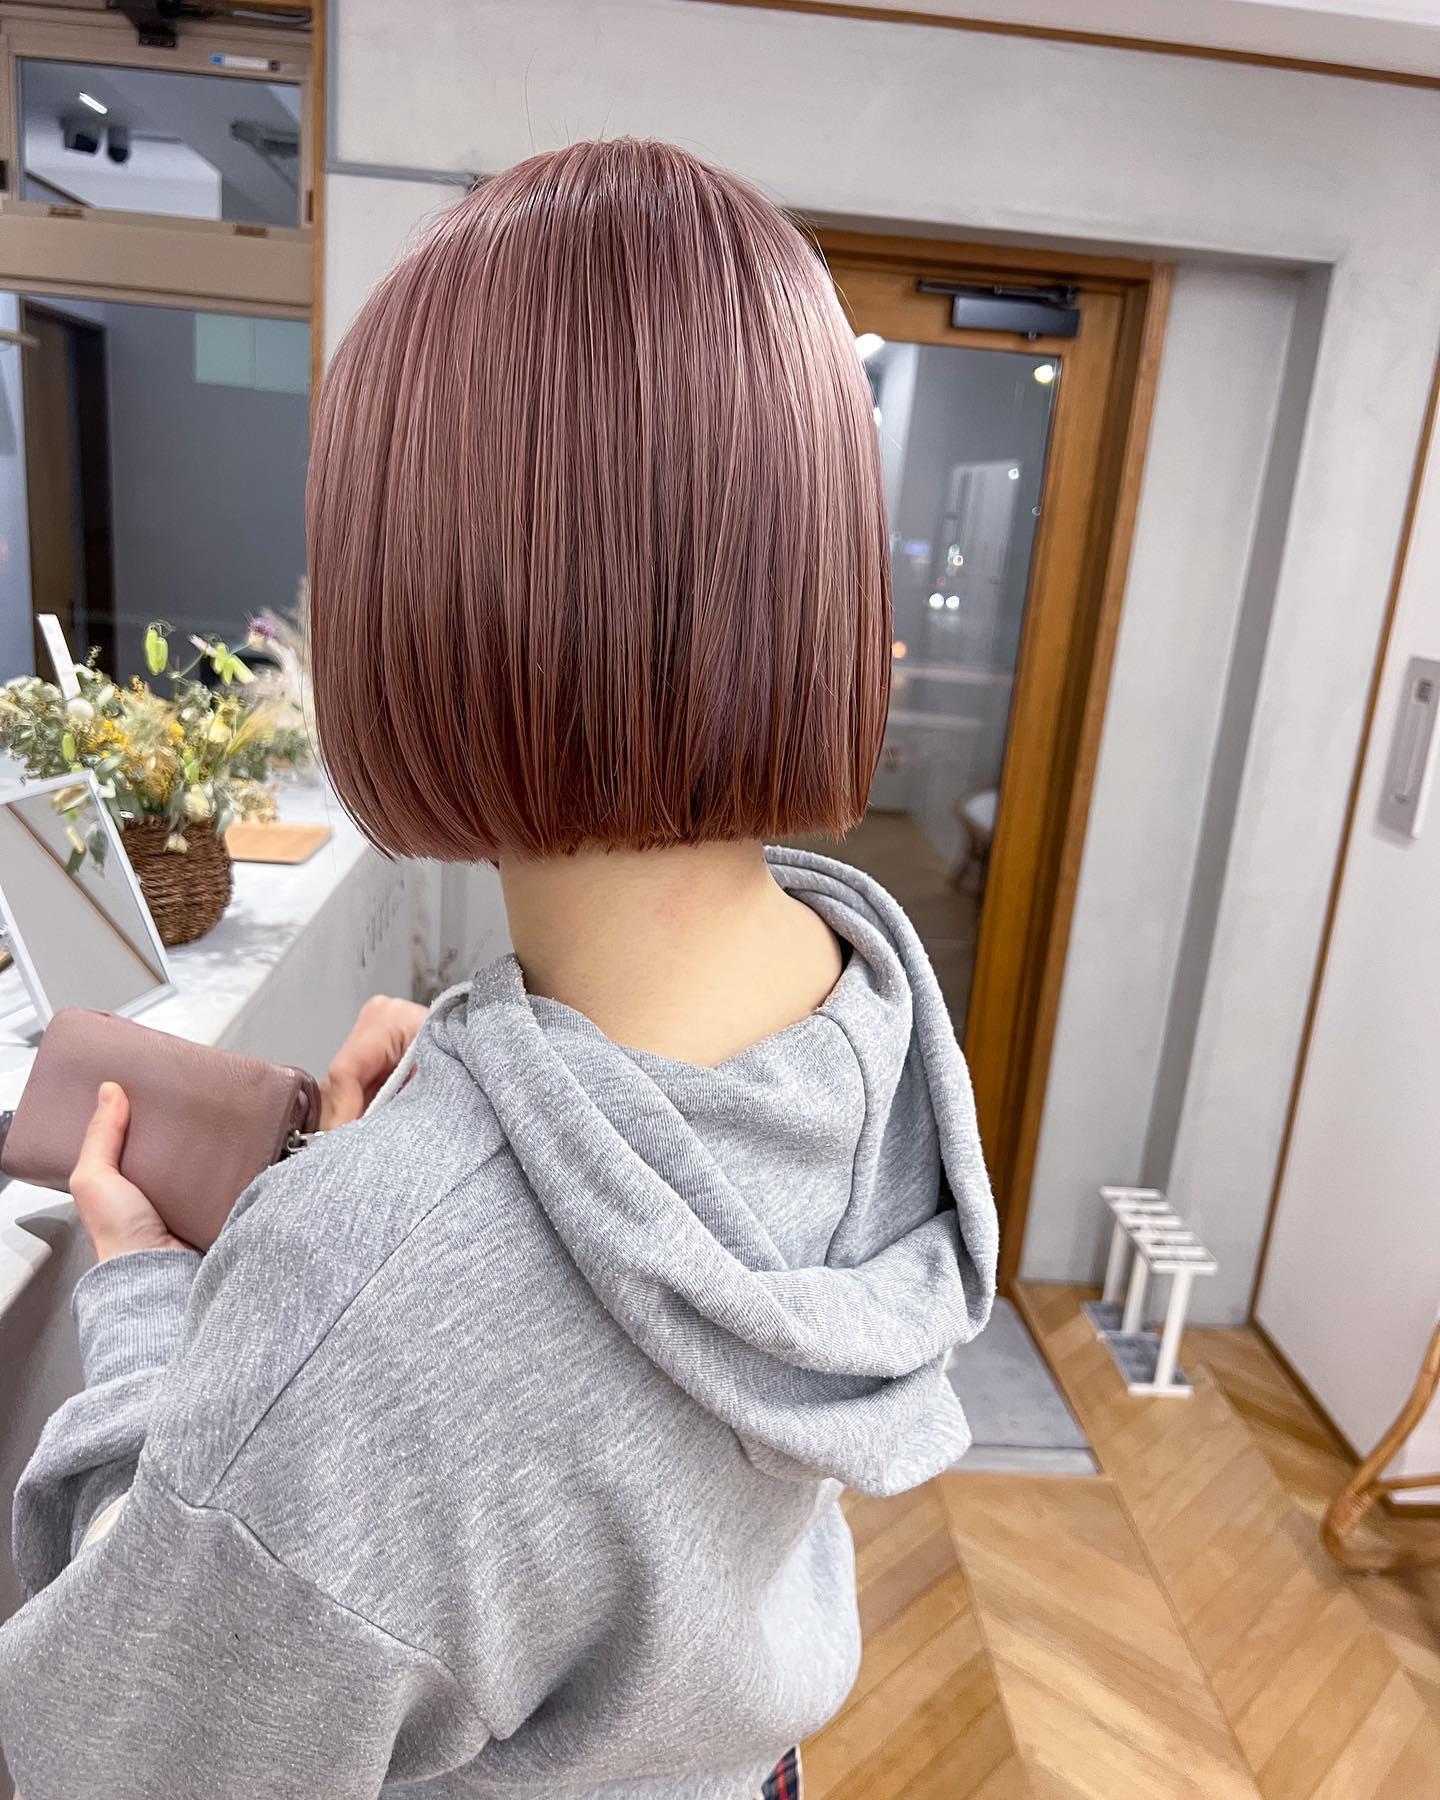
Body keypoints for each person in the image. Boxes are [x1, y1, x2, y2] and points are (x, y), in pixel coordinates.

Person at [0, 138, 997, 1799]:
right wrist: (447, 1130)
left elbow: (109, 1753)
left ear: (417, 604)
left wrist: (153, 1291)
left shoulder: (367, 1305)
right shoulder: (866, 1020)